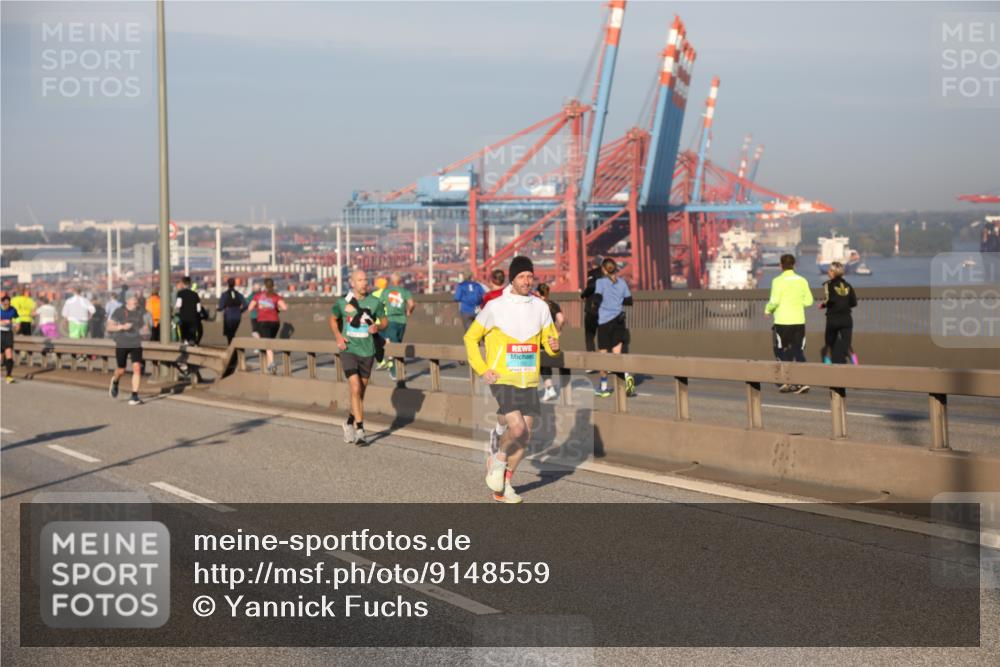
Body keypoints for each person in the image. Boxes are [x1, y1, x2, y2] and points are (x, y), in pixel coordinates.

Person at [464, 256, 560, 504]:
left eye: (530, 276)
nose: (527, 281)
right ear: (512, 279)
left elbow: (550, 344)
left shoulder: (540, 307)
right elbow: (470, 338)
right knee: (516, 428)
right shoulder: (495, 306)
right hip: (502, 376)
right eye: (522, 277)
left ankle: (504, 485)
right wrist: (483, 368)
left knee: (525, 436)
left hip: (528, 378)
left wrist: (553, 346)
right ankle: (496, 458)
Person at [330, 270, 387, 446]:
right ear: (352, 283)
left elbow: (385, 321)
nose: (364, 283)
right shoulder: (342, 302)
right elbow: (333, 319)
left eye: (365, 279)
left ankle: (348, 422)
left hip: (367, 350)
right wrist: (339, 337)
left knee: (360, 391)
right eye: (360, 280)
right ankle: (360, 430)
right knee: (354, 387)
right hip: (348, 349)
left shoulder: (374, 302)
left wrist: (378, 327)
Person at [765, 253, 814, 394]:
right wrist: (797, 304)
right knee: (798, 351)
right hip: (799, 321)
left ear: (781, 265)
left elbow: (774, 300)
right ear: (794, 264)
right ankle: (803, 382)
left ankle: (787, 380)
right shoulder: (802, 280)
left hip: (782, 321)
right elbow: (809, 301)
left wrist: (768, 310)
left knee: (779, 349)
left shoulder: (777, 281)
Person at [593, 258, 636, 398]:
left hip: (604, 323)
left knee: (603, 357)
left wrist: (595, 305)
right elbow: (629, 301)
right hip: (619, 322)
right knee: (618, 355)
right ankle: (628, 376)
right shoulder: (622, 282)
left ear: (604, 270)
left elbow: (597, 298)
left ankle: (604, 387)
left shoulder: (600, 282)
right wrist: (617, 300)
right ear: (615, 269)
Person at [107, 292, 151, 406]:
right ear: (127, 301)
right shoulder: (119, 311)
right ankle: (115, 381)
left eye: (136, 298)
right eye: (132, 299)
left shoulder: (140, 312)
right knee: (121, 370)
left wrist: (145, 329)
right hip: (122, 343)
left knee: (137, 367)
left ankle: (134, 395)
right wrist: (121, 327)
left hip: (136, 343)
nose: (135, 301)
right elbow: (109, 326)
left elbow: (142, 326)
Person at [377, 273, 415, 380]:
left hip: (391, 320)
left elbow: (378, 305)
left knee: (395, 347)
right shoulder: (405, 292)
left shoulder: (386, 292)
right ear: (400, 281)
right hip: (402, 321)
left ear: (391, 281)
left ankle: (394, 371)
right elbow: (412, 304)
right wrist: (409, 311)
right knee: (398, 344)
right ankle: (398, 369)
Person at [247, 278, 288, 374]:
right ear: (273, 285)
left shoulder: (258, 296)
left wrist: (260, 307)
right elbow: (285, 308)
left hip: (263, 322)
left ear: (264, 286)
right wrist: (275, 308)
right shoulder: (275, 296)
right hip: (275, 322)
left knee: (267, 343)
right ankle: (269, 363)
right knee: (270, 342)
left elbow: (250, 308)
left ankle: (272, 363)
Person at [820, 261, 858, 365]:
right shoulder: (848, 286)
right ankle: (857, 367)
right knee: (848, 346)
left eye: (829, 270)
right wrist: (844, 304)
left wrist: (822, 305)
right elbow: (854, 303)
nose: (828, 272)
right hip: (847, 319)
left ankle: (827, 370)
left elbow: (828, 300)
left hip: (833, 319)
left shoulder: (828, 285)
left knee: (829, 346)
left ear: (832, 272)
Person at [579, 257, 604, 357]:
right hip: (605, 309)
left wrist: (583, 294)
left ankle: (591, 359)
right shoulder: (608, 276)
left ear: (594, 264)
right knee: (604, 336)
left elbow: (591, 286)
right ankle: (608, 362)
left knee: (589, 335)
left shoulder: (592, 273)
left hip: (592, 309)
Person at [218, 278, 247, 344]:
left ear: (228, 284)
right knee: (232, 333)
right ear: (234, 284)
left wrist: (218, 309)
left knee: (229, 335)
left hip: (228, 316)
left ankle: (232, 349)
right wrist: (240, 311)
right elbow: (245, 305)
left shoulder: (224, 295)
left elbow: (221, 307)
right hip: (237, 317)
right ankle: (233, 349)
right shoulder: (239, 295)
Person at [175, 277, 203, 345]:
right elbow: (198, 309)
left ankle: (185, 344)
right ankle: (192, 343)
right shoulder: (195, 294)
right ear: (190, 283)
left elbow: (178, 305)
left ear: (183, 283)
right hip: (193, 318)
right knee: (192, 336)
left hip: (184, 318)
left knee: (184, 336)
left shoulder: (180, 293)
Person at [1, 295, 18, 383]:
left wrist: (17, 324)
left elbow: (17, 318)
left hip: (8, 333)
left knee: (9, 353)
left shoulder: (13, 309)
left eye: (8, 304)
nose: (6, 306)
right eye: (5, 304)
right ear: (2, 303)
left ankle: (9, 376)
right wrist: (1, 322)